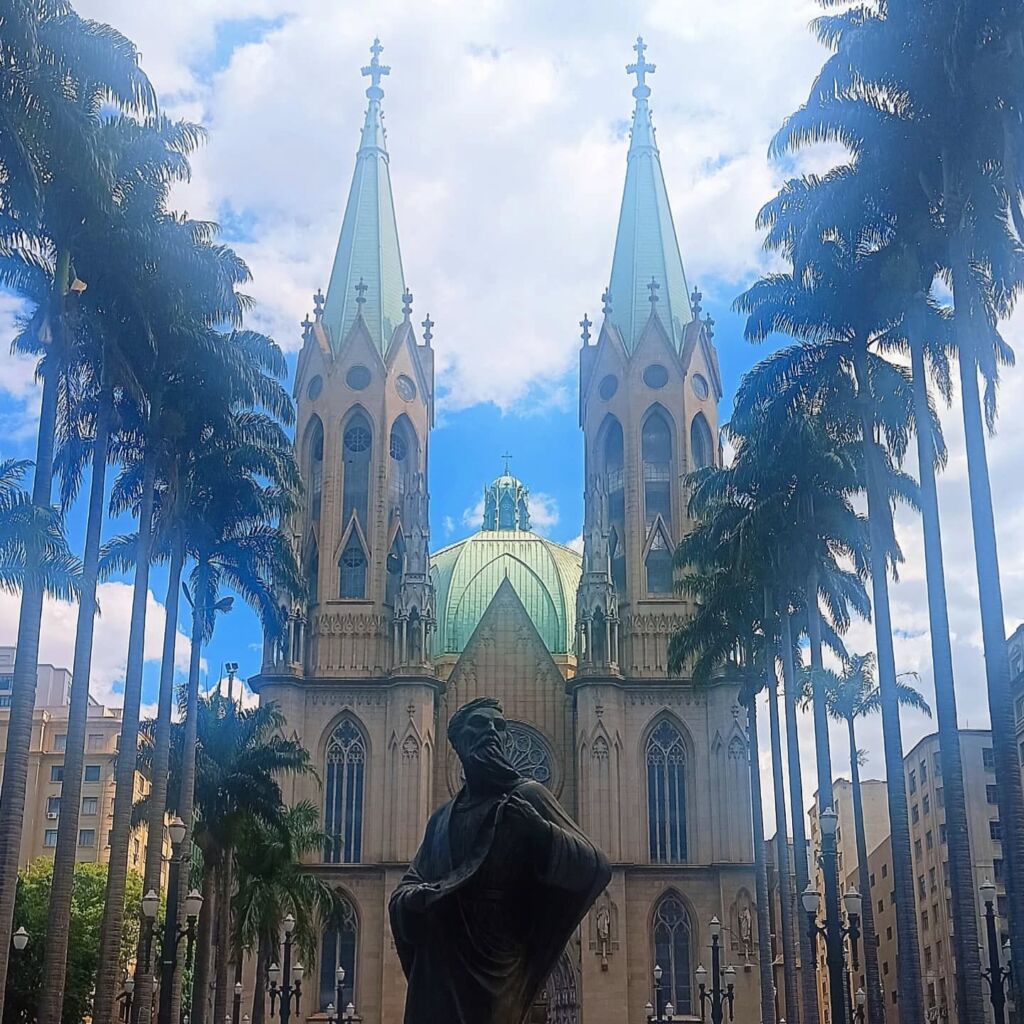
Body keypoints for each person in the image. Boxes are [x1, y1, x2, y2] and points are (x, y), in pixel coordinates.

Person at [389, 697, 611, 1024]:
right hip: (440, 969)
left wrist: (540, 831)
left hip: (498, 967)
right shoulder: (441, 819)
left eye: (499, 727)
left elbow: (596, 867)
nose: (492, 732)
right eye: (480, 725)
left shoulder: (528, 796)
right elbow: (404, 888)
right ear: (458, 743)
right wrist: (416, 900)